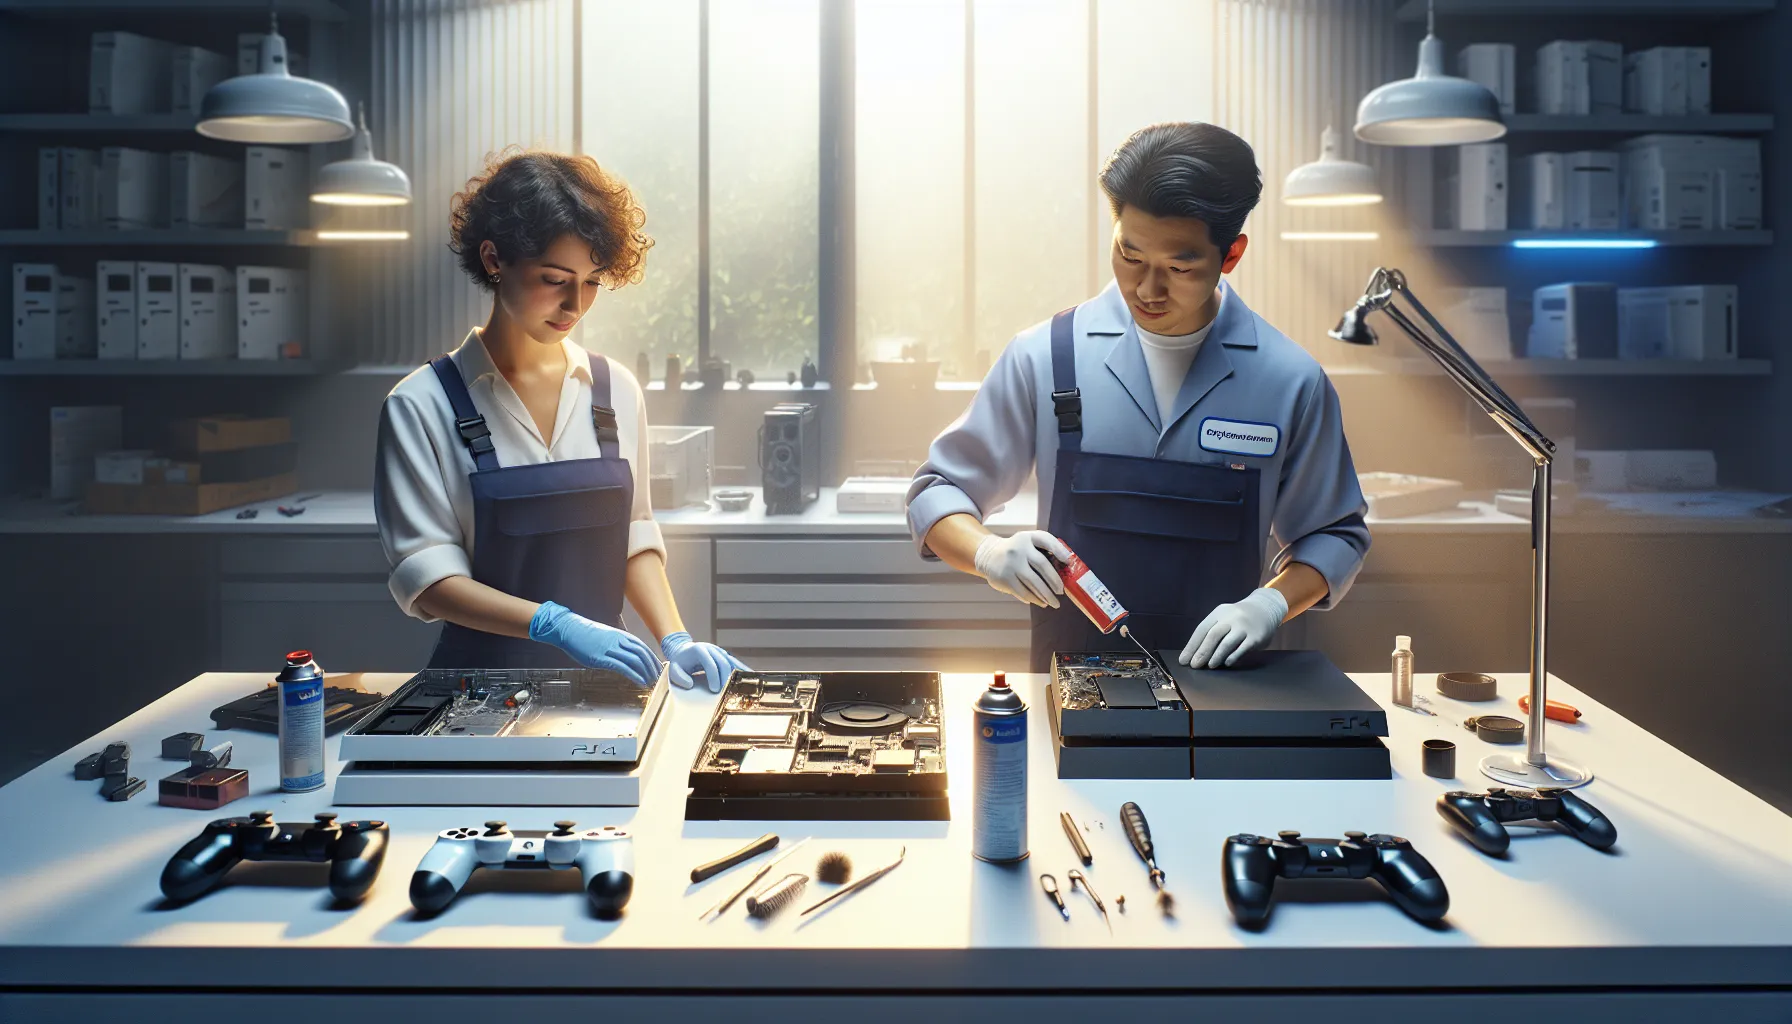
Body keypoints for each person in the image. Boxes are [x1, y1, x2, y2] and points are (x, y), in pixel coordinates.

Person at [906, 122, 1370, 672]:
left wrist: (1271, 603)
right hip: (1072, 689)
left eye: (1179, 267)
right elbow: (938, 493)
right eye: (1130, 256)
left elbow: (1334, 535)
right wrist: (988, 552)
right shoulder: (1046, 357)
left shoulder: (1291, 381)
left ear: (1231, 255)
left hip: (1227, 694)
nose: (1148, 290)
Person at [375, 149, 745, 691]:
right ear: (494, 259)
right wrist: (554, 624)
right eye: (554, 278)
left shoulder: (614, 390)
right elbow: (429, 580)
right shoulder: (420, 405)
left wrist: (675, 638)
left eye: (592, 282)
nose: (575, 305)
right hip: (477, 690)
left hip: (607, 683)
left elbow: (633, 534)